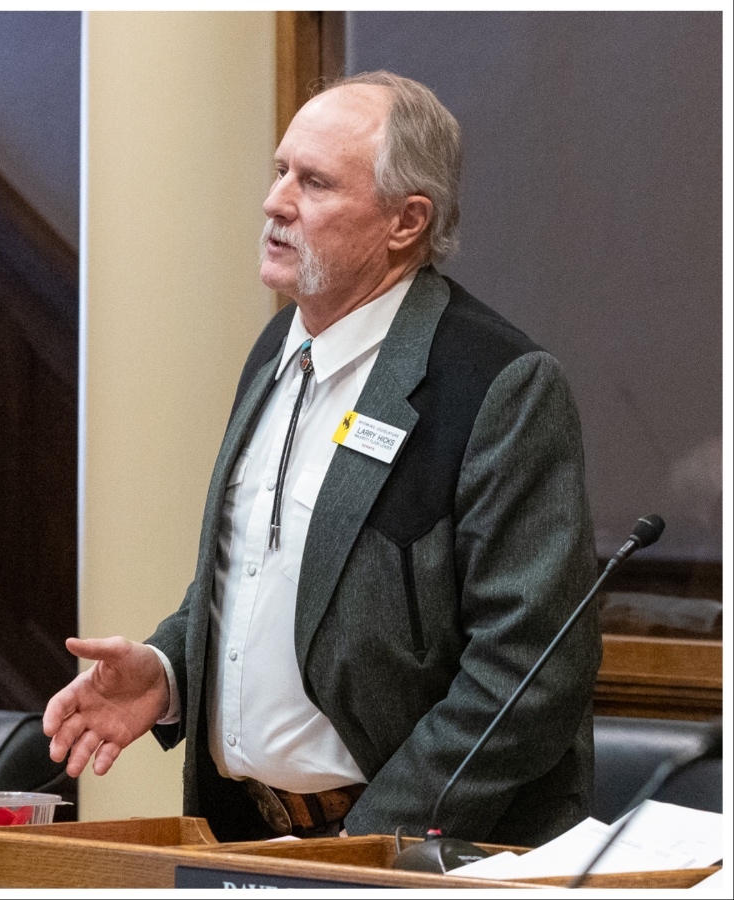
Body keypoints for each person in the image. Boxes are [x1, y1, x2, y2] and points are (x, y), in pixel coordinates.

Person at [43, 72, 598, 847]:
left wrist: (372, 846)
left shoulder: (498, 385)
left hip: (413, 854)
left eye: (314, 182)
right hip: (248, 836)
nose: (276, 202)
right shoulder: (277, 346)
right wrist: (170, 671)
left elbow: (528, 671)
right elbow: (260, 579)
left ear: (407, 222)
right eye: (279, 171)